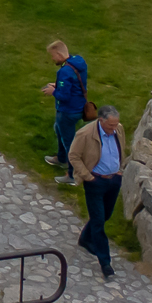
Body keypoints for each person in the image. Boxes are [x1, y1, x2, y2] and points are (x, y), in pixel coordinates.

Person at [69, 101, 128, 279]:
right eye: (111, 125)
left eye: (116, 124)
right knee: (98, 221)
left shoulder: (118, 129)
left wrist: (119, 170)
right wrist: (88, 176)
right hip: (95, 182)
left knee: (105, 215)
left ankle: (85, 239)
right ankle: (105, 263)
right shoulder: (85, 134)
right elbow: (73, 156)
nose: (114, 128)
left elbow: (120, 148)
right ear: (101, 121)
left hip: (114, 180)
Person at [40, 40, 90, 184]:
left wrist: (53, 91)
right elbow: (76, 84)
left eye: (53, 56)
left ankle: (72, 175)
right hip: (78, 107)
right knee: (58, 129)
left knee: (70, 143)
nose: (52, 59)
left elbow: (64, 96)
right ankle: (61, 159)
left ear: (59, 54)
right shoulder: (78, 62)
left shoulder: (64, 71)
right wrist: (59, 85)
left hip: (67, 111)